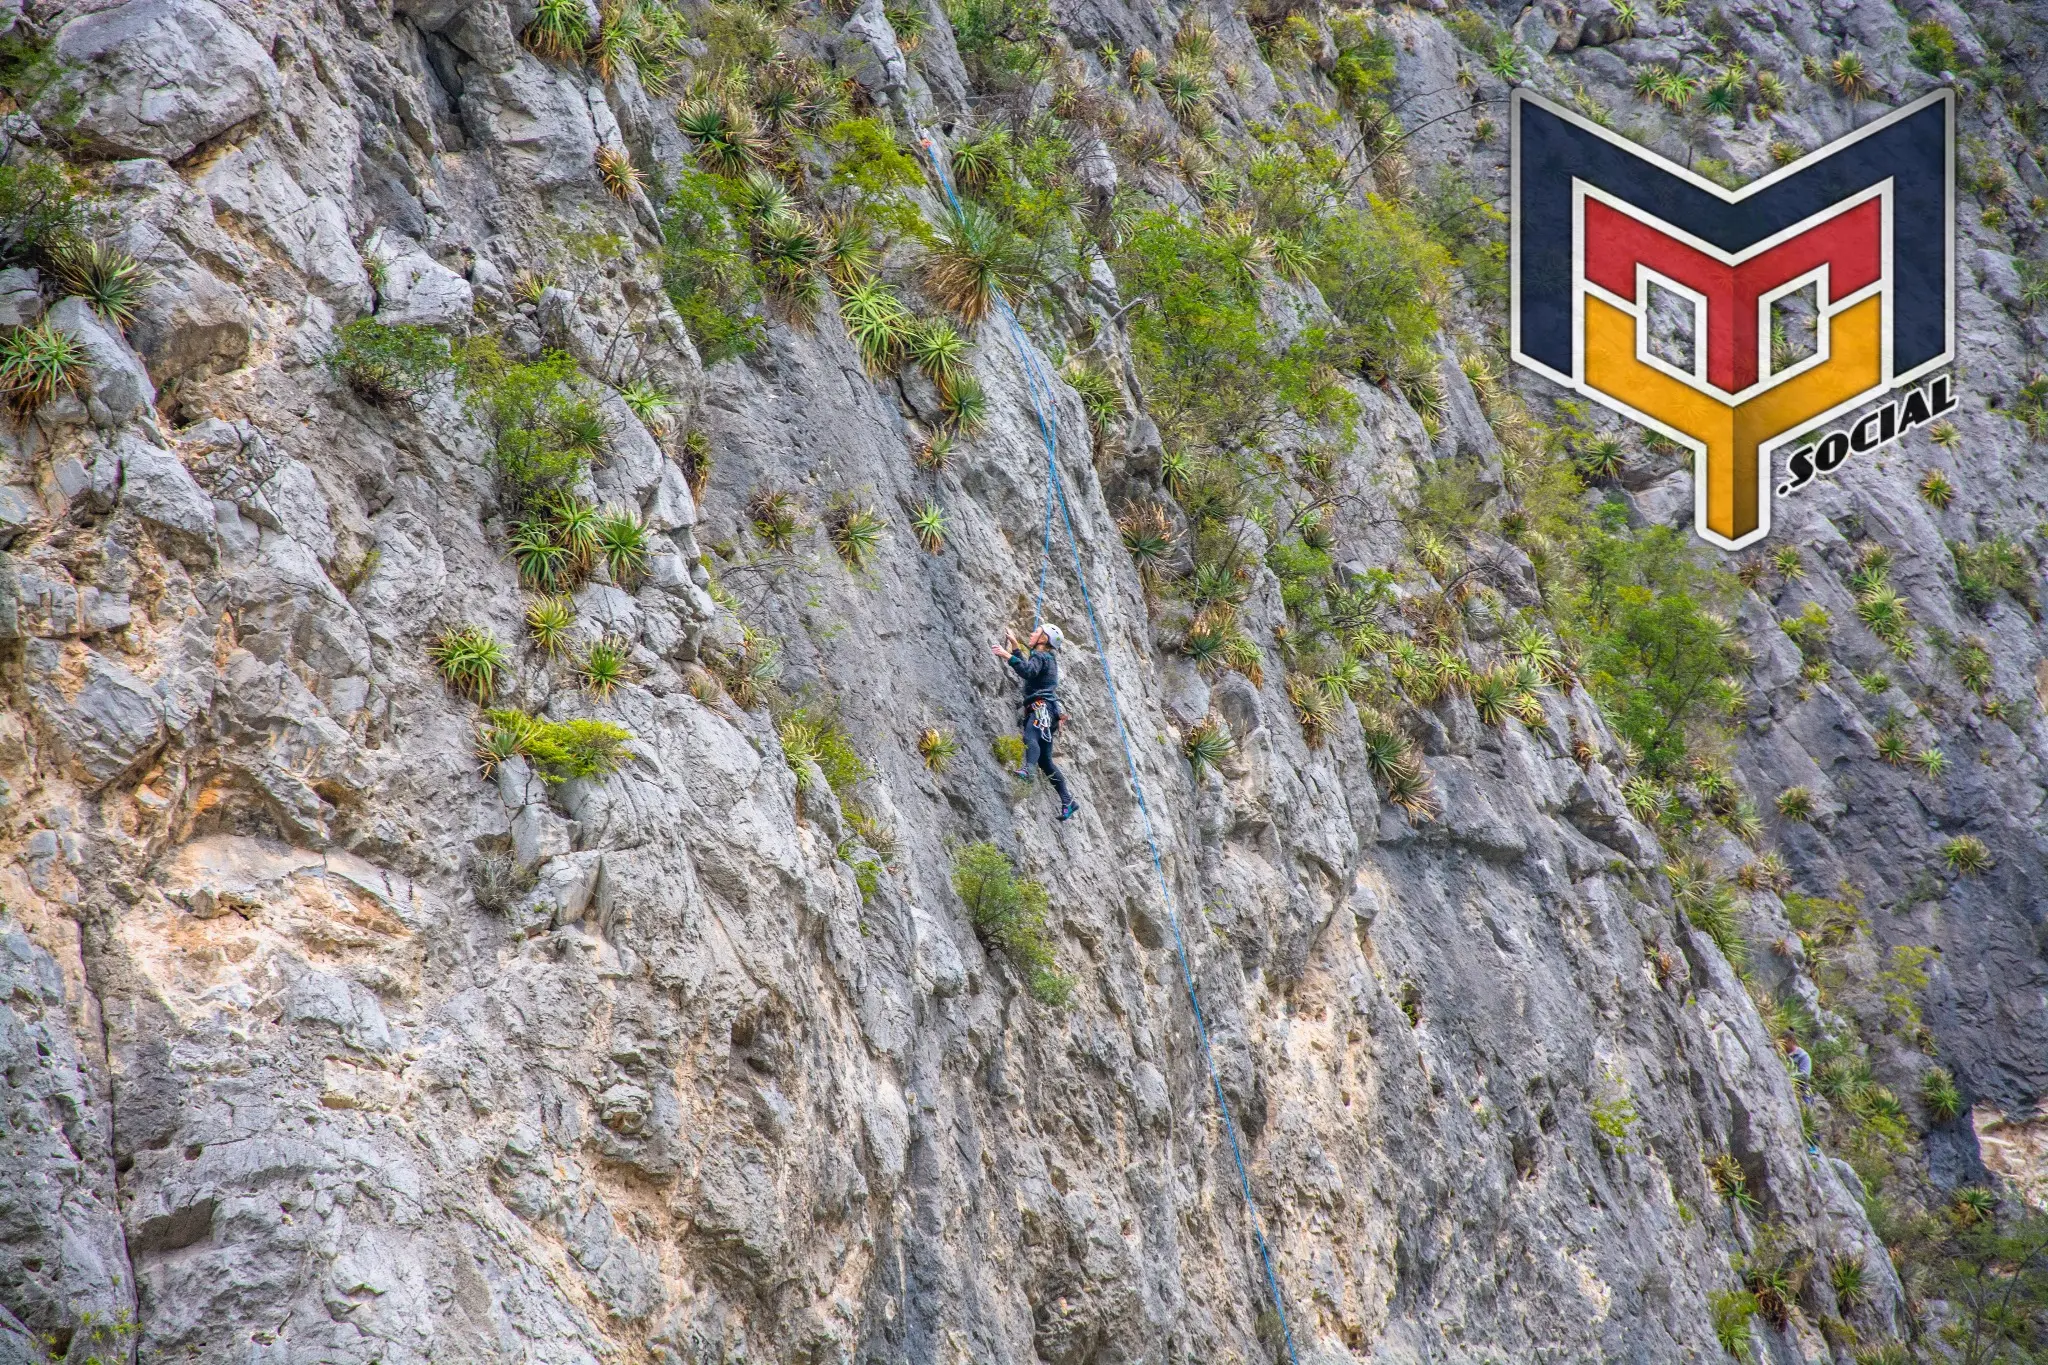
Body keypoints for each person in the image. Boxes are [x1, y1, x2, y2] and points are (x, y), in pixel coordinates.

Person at [992, 624, 1080, 822]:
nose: (1032, 633)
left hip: (1041, 707)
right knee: (1046, 761)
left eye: (1036, 631)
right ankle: (1068, 800)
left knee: (1031, 734)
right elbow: (1030, 669)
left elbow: (1028, 672)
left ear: (1043, 639)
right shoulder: (1047, 658)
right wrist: (1015, 646)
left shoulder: (1041, 657)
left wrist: (1007, 655)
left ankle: (1028, 771)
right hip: (1050, 711)